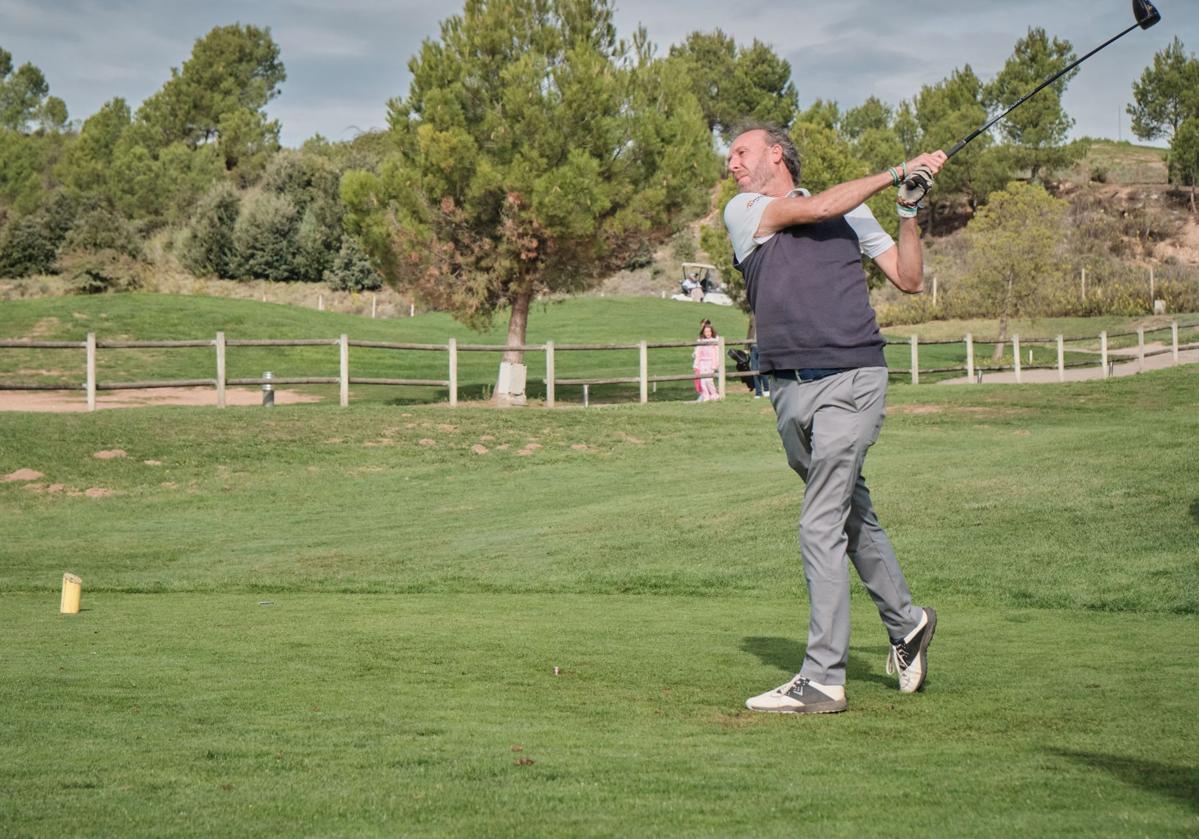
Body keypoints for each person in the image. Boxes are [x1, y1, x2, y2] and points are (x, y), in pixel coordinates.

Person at [723, 121, 947, 714]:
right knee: (850, 513)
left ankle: (823, 677)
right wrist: (895, 172)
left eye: (740, 151)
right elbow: (817, 205)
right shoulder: (746, 209)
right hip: (788, 393)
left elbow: (909, 279)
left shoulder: (854, 213)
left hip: (853, 379)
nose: (731, 163)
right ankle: (907, 623)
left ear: (775, 152)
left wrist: (907, 210)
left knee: (819, 522)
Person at [692, 320, 720, 402]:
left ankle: (714, 394)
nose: (707, 333)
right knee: (703, 381)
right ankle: (706, 396)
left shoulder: (714, 341)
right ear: (703, 332)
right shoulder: (700, 341)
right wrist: (696, 365)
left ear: (711, 332)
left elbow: (716, 354)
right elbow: (698, 354)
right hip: (702, 363)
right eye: (706, 332)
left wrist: (715, 365)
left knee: (709, 380)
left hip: (710, 363)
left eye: (709, 331)